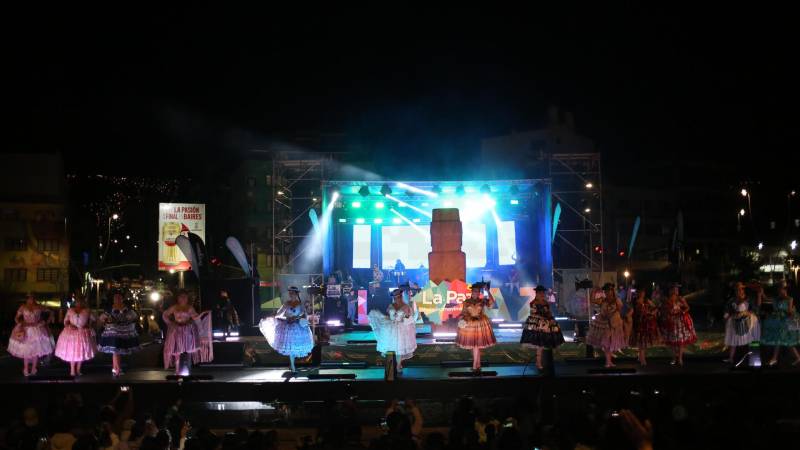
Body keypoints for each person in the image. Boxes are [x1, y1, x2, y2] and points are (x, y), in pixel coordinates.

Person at [259, 286, 315, 373]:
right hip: (288, 326)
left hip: (297, 327)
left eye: (292, 293)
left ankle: (293, 365)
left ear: (296, 294)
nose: (291, 294)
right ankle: (292, 366)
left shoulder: (300, 304)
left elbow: (304, 314)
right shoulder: (286, 304)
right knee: (290, 347)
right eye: (290, 293)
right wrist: (283, 318)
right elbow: (279, 314)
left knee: (295, 347)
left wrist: (297, 317)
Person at [162, 290, 213, 374]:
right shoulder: (175, 307)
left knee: (188, 350)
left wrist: (203, 314)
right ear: (178, 298)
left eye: (185, 297)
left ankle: (187, 368)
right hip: (177, 331)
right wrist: (171, 323)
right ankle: (178, 370)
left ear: (187, 298)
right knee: (178, 350)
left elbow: (196, 318)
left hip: (187, 331)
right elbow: (165, 315)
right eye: (181, 297)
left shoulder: (189, 307)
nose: (183, 299)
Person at [368, 288, 417, 372]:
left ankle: (398, 365)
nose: (396, 298)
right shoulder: (391, 306)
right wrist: (385, 318)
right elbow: (388, 315)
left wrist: (403, 319)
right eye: (395, 297)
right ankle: (391, 365)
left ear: (401, 296)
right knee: (391, 347)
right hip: (391, 328)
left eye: (398, 297)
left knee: (400, 347)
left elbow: (410, 319)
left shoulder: (406, 307)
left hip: (402, 329)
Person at [8, 294, 55, 376]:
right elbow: (16, 317)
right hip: (26, 330)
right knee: (26, 350)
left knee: (36, 350)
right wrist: (19, 323)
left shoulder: (39, 307)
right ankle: (26, 368)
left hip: (37, 329)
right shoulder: (23, 307)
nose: (31, 299)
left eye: (32, 298)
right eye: (29, 298)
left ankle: (34, 368)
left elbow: (51, 311)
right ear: (27, 299)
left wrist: (46, 321)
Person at [520, 285, 564, 370]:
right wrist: (543, 319)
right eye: (540, 293)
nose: (542, 294)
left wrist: (551, 319)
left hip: (546, 323)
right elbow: (533, 314)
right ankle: (538, 362)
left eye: (543, 293)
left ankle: (546, 361)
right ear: (537, 293)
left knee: (547, 343)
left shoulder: (545, 302)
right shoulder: (533, 303)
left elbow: (548, 312)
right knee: (540, 344)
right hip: (538, 324)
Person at [456, 282, 497, 372]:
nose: (476, 293)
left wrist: (487, 291)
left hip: (480, 325)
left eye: (478, 291)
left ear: (479, 292)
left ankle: (475, 366)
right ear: (472, 292)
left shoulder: (482, 301)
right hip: (470, 326)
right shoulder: (466, 302)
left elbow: (492, 303)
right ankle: (478, 364)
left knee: (476, 346)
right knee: (475, 346)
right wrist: (460, 318)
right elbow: (463, 313)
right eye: (475, 291)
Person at [98, 291, 141, 376]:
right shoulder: (109, 308)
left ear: (122, 298)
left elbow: (133, 316)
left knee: (118, 350)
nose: (117, 298)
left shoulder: (127, 307)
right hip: (113, 331)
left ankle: (115, 368)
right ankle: (116, 369)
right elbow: (103, 318)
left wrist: (127, 320)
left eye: (119, 297)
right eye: (116, 297)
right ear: (113, 299)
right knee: (115, 350)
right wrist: (107, 321)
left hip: (124, 331)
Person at [55, 294, 97, 376]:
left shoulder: (87, 310)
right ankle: (72, 370)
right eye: (77, 301)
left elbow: (94, 319)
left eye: (80, 301)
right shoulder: (70, 310)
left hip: (83, 333)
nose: (79, 303)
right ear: (75, 302)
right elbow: (65, 321)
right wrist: (69, 325)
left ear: (83, 302)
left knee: (81, 351)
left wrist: (88, 325)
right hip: (71, 334)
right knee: (72, 351)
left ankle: (78, 369)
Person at [586, 283, 626, 368]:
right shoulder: (602, 300)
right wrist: (594, 290)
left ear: (612, 291)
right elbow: (592, 300)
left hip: (614, 323)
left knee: (611, 343)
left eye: (610, 290)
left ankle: (609, 361)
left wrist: (614, 316)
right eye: (607, 291)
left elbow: (619, 310)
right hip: (605, 323)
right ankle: (608, 362)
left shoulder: (617, 300)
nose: (609, 292)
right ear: (605, 292)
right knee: (606, 343)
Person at [760, 282, 800, 366]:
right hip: (779, 322)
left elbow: (789, 311)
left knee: (785, 341)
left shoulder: (789, 298)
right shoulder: (777, 299)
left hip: (786, 322)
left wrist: (790, 312)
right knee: (783, 341)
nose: (781, 291)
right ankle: (796, 358)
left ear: (785, 290)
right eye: (780, 289)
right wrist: (761, 292)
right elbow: (766, 299)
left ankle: (775, 358)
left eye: (782, 289)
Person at [723, 282, 761, 363]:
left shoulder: (748, 299)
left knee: (752, 339)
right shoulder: (732, 300)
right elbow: (727, 311)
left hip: (749, 322)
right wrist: (728, 316)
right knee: (733, 339)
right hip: (736, 322)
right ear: (735, 290)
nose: (740, 290)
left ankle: (755, 358)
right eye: (738, 289)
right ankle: (731, 358)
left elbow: (756, 309)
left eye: (741, 289)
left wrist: (746, 313)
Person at [659, 283, 696, 366]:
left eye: (677, 289)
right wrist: (667, 313)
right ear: (671, 291)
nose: (677, 291)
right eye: (675, 289)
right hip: (671, 322)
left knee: (680, 342)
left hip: (680, 322)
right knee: (673, 342)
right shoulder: (668, 300)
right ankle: (674, 357)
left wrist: (682, 311)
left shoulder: (680, 299)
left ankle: (680, 358)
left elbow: (687, 307)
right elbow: (664, 310)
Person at [629, 286, 661, 366]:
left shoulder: (646, 300)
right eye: (640, 292)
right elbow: (633, 311)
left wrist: (652, 313)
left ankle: (641, 357)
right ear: (638, 292)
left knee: (643, 341)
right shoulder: (635, 301)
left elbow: (654, 307)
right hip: (638, 323)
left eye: (643, 292)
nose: (642, 293)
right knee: (640, 341)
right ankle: (642, 359)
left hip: (645, 324)